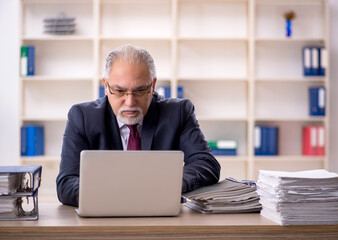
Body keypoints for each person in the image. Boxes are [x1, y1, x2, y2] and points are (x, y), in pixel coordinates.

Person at [56, 45, 221, 207]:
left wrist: (166, 186)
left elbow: (206, 164)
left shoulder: (178, 112)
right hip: (105, 217)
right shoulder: (82, 117)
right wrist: (123, 193)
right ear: (106, 86)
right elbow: (66, 183)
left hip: (161, 216)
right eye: (119, 91)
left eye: (140, 91)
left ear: (153, 86)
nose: (130, 102)